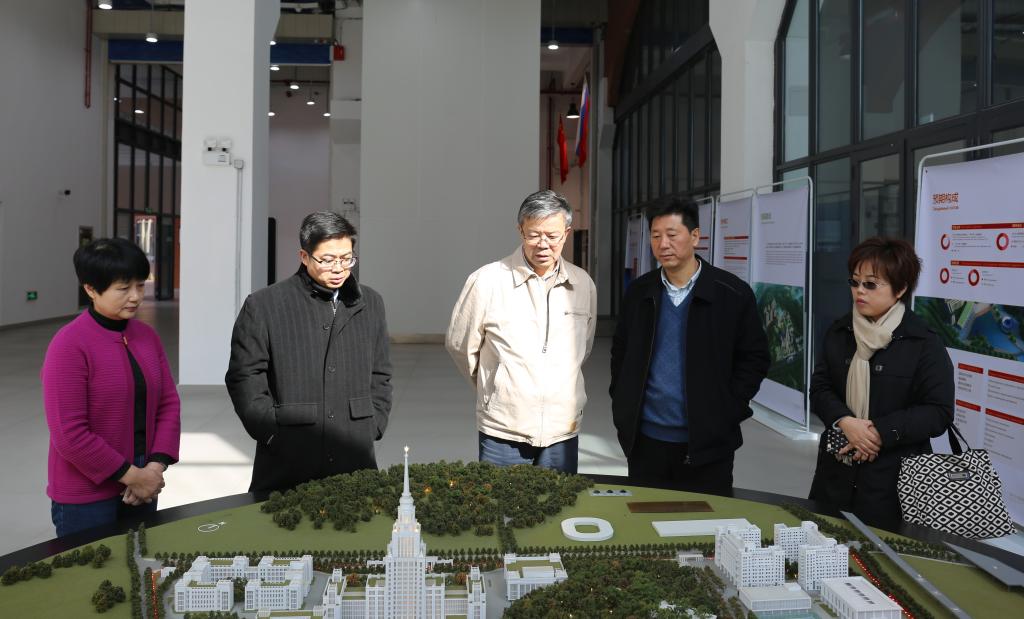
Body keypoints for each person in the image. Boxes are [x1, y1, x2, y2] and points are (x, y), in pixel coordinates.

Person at [610, 198, 769, 493]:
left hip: (708, 442)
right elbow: (621, 351)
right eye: (656, 236)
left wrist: (727, 409)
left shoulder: (731, 293)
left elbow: (754, 358)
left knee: (705, 517)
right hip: (645, 440)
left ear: (695, 236)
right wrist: (622, 399)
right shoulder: (639, 293)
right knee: (645, 515)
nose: (663, 244)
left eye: (672, 234)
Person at [226, 212, 392, 493]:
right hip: (288, 455)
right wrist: (270, 431)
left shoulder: (371, 303)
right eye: (327, 260)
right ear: (304, 256)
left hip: (354, 450)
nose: (338, 268)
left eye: (346, 259)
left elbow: (381, 372)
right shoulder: (264, 305)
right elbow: (244, 377)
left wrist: (374, 424)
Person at [446, 189, 597, 473]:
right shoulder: (487, 281)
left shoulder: (582, 284)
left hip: (562, 429)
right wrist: (496, 388)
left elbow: (583, 348)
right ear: (520, 231)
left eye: (552, 236)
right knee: (503, 501)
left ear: (566, 234)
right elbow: (460, 345)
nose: (543, 244)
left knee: (558, 500)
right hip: (503, 429)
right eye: (534, 234)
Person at [808, 237, 953, 529]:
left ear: (900, 289)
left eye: (871, 284)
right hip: (836, 472)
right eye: (854, 282)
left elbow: (938, 411)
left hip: (895, 481)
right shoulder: (840, 331)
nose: (859, 291)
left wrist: (877, 433)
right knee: (824, 542)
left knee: (883, 553)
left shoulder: (923, 342)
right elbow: (820, 388)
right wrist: (846, 422)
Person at [43, 238, 180, 537]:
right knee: (95, 568)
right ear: (91, 289)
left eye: (140, 285)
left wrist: (154, 468)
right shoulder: (69, 345)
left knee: (142, 563)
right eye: (123, 288)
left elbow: (168, 403)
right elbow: (70, 433)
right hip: (87, 498)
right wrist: (131, 476)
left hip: (142, 485)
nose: (135, 296)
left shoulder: (147, 336)